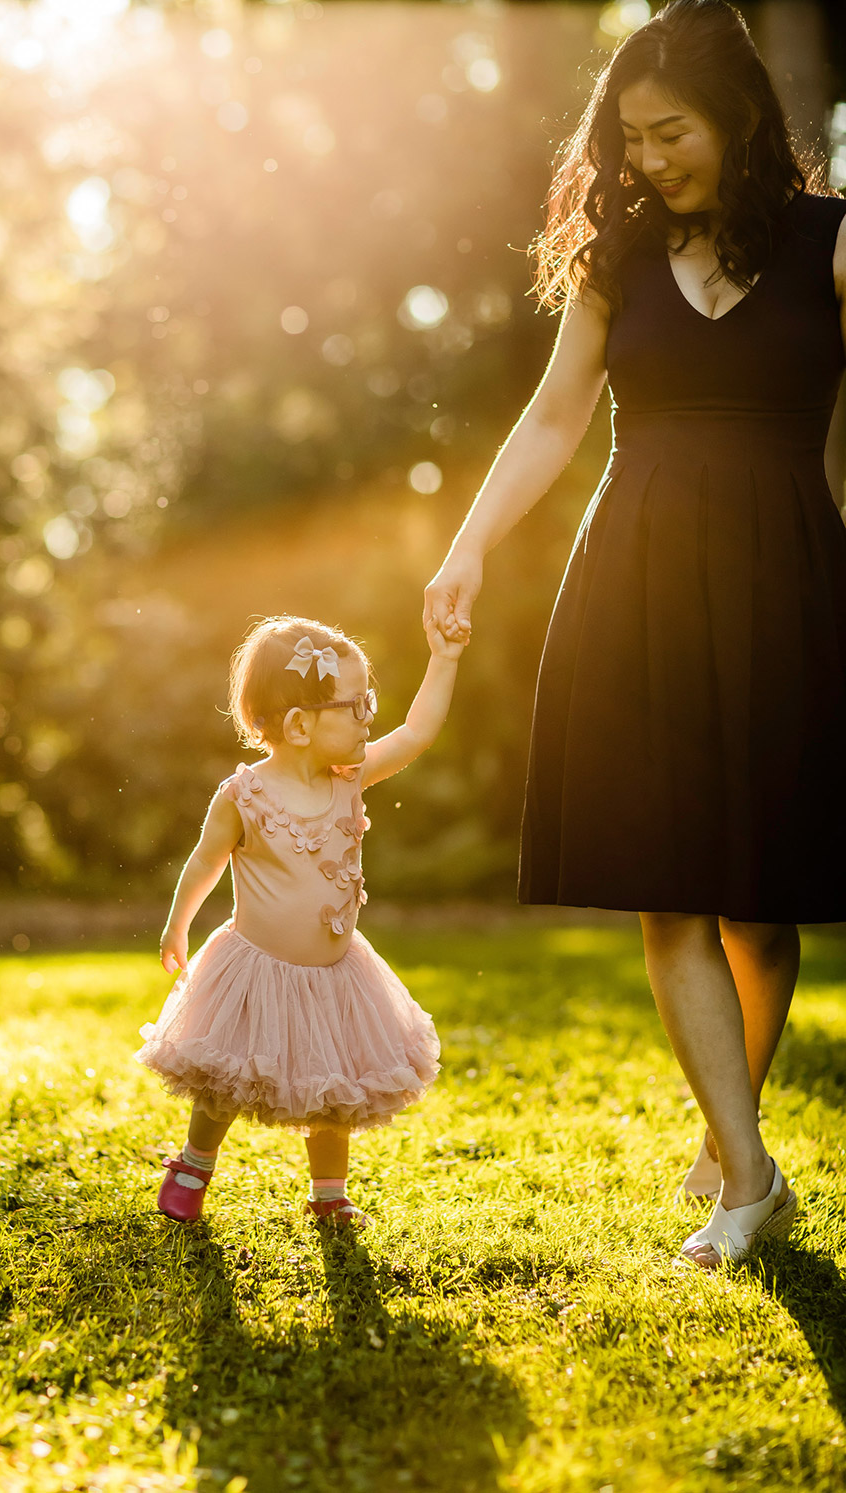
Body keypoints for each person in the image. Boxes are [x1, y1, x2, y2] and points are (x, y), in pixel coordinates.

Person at [422, 0, 836, 1267]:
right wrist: (467, 543)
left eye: (671, 133)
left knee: (762, 908)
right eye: (629, 138)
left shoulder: (830, 245)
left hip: (784, 571)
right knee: (667, 888)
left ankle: (728, 1133)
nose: (648, 161)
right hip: (638, 569)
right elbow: (553, 418)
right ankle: (748, 1172)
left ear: (742, 119)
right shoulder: (613, 259)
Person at [136, 614, 458, 1226]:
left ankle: (329, 1192)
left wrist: (444, 659)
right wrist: (178, 924)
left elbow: (416, 732)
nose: (370, 715)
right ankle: (193, 1164)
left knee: (333, 1085)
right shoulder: (244, 796)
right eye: (357, 703)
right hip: (255, 967)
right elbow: (205, 860)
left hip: (337, 970)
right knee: (223, 1079)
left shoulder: (350, 779)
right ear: (299, 725)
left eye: (370, 700)